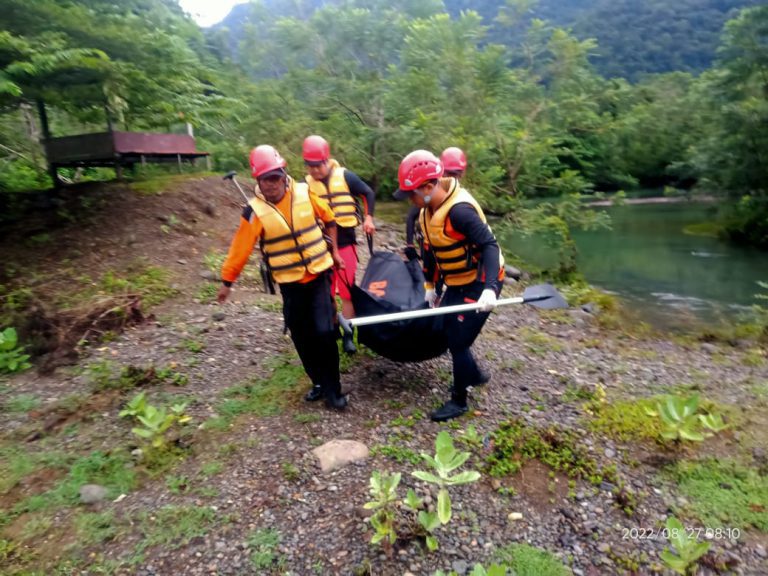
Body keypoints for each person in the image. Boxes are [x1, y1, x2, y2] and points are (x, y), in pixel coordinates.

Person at [217, 145, 348, 410]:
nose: (272, 184)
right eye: (266, 179)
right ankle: (319, 382)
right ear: (258, 181)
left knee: (324, 332)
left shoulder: (305, 193)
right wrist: (227, 282)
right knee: (301, 335)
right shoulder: (253, 212)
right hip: (290, 283)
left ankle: (334, 390)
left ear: (283, 174)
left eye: (276, 177)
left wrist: (334, 250)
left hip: (319, 275)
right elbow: (239, 250)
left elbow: (330, 219)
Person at [394, 149, 505, 422]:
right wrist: (432, 286)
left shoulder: (460, 212)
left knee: (458, 340)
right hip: (457, 281)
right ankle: (475, 374)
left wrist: (490, 288)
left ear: (429, 187)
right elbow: (431, 253)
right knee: (447, 328)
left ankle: (459, 400)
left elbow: (490, 246)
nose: (410, 199)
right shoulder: (426, 212)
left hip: (481, 282)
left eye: (413, 193)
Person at [303, 135, 376, 354]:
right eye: (310, 166)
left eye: (318, 165)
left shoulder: (345, 176)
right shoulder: (304, 185)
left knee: (346, 291)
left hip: (346, 242)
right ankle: (333, 328)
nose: (315, 170)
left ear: (327, 160)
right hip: (319, 245)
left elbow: (368, 193)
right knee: (326, 292)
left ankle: (348, 335)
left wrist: (369, 218)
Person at [405, 146, 468, 261]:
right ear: (441, 171)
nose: (452, 177)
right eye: (449, 173)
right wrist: (410, 244)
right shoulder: (431, 193)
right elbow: (411, 216)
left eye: (456, 174)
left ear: (462, 174)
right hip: (429, 243)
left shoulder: (460, 198)